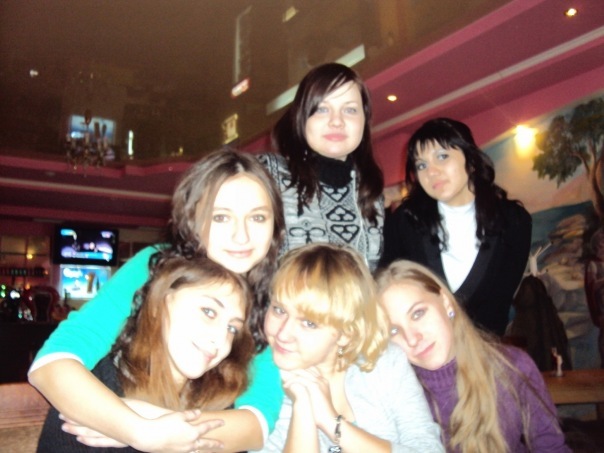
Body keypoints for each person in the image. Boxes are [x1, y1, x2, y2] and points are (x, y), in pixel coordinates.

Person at [29, 149, 286, 453]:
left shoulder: (267, 302)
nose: (241, 236)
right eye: (221, 217)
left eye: (257, 217)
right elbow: (53, 363)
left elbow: (257, 423)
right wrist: (137, 430)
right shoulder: (155, 267)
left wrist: (156, 423)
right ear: (193, 219)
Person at [38, 256, 255, 452]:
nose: (220, 339)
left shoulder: (223, 399)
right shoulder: (87, 390)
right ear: (160, 304)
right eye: (208, 312)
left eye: (232, 328)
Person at [253, 244, 444, 453]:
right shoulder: (264, 377)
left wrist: (330, 422)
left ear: (346, 333)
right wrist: (303, 408)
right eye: (279, 310)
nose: (283, 334)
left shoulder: (386, 364)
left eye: (309, 323)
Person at [376, 260, 570, 452]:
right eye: (393, 330)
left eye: (418, 314)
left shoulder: (511, 366)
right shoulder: (395, 395)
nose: (412, 338)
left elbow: (552, 447)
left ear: (446, 302)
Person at [380, 117, 531, 335]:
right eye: (421, 165)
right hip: (424, 347)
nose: (431, 171)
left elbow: (501, 300)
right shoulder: (405, 223)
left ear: (471, 160)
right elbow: (390, 288)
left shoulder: (514, 221)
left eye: (442, 157)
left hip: (486, 348)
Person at [259, 62, 385, 270]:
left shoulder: (370, 191)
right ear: (302, 117)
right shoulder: (267, 174)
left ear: (365, 120)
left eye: (350, 110)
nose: (337, 121)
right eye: (322, 109)